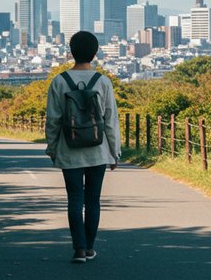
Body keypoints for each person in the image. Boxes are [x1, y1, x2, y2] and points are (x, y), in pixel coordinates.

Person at [45, 30, 121, 263]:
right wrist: (114, 151)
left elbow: (53, 119)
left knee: (75, 199)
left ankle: (78, 249)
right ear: (95, 52)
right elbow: (110, 120)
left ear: (71, 51)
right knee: (93, 200)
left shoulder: (59, 81)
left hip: (70, 149)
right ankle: (89, 247)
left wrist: (52, 147)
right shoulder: (103, 81)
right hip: (98, 151)